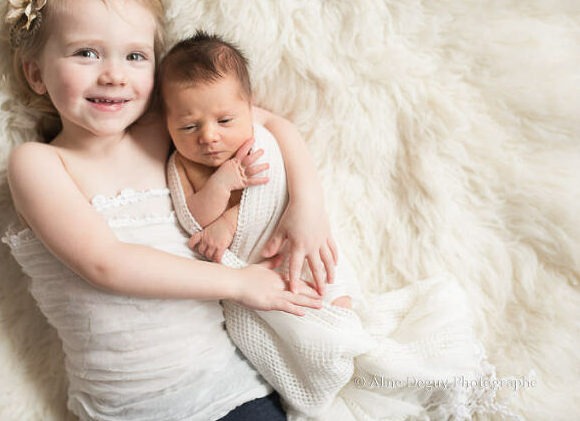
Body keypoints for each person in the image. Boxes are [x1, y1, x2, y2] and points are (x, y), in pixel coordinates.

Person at [0, 0, 338, 421]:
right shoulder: (38, 163)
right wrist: (240, 284)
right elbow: (107, 264)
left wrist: (307, 203)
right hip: (126, 408)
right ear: (35, 73)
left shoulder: (170, 132)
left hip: (231, 391)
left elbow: (273, 127)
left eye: (135, 55)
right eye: (86, 53)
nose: (114, 74)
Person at [157, 32, 523, 421]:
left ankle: (374, 359)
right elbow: (194, 217)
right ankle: (339, 366)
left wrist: (266, 212)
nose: (209, 136)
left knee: (334, 296)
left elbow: (274, 188)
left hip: (292, 248)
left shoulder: (258, 139)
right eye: (187, 127)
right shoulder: (183, 165)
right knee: (311, 338)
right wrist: (222, 185)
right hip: (255, 277)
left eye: (224, 120)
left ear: (249, 107)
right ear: (166, 123)